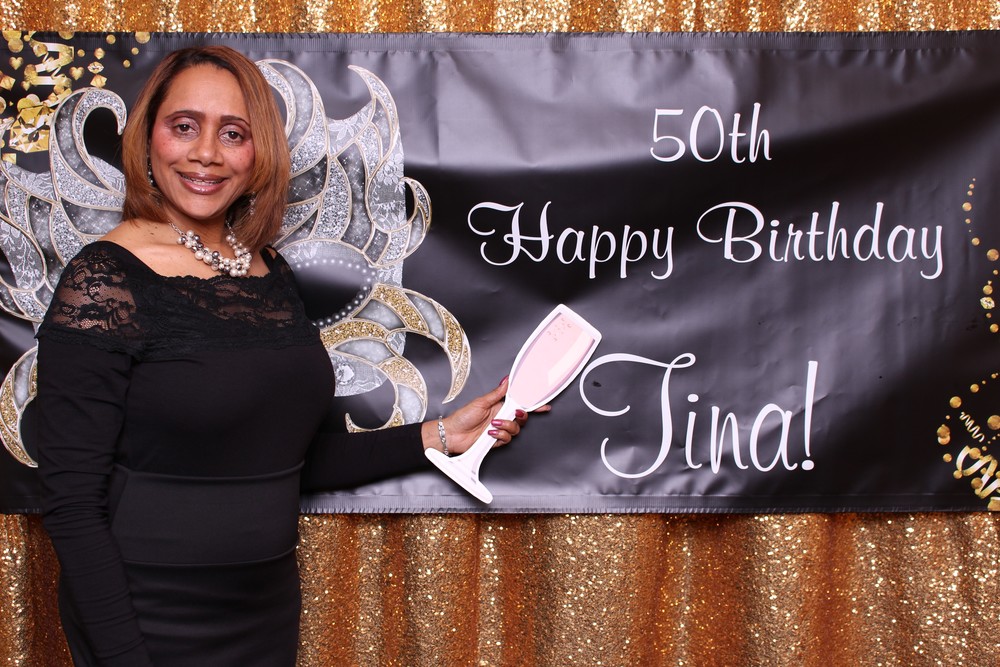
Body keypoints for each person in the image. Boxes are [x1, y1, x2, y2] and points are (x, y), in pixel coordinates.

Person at [34, 45, 538, 667]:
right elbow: (72, 504)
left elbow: (287, 460)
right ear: (146, 140)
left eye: (233, 133)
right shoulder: (104, 278)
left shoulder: (268, 271)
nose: (206, 153)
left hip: (263, 613)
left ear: (258, 153)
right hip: (148, 615)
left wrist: (439, 436)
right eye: (184, 126)